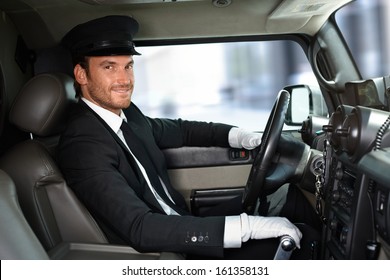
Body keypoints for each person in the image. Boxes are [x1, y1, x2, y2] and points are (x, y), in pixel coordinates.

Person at [58, 15, 318, 259]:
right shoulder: (82, 143)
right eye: (109, 67)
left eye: (128, 66)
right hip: (165, 251)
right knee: (304, 242)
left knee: (288, 196)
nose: (124, 79)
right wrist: (245, 228)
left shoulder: (126, 114)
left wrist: (237, 135)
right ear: (81, 74)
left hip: (178, 219)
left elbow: (182, 130)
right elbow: (141, 228)